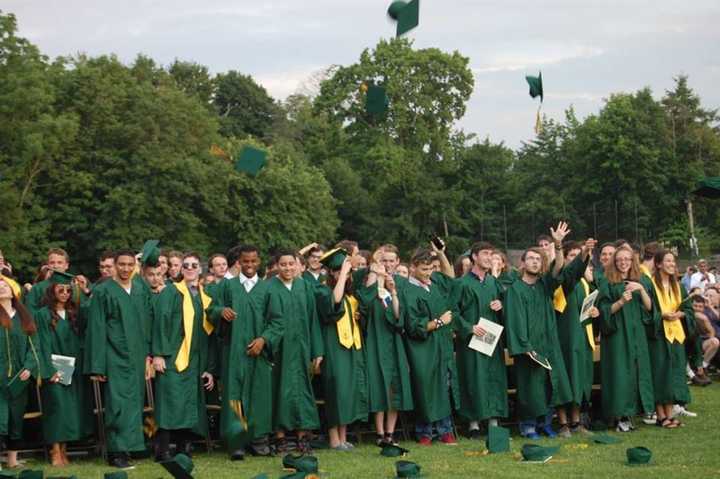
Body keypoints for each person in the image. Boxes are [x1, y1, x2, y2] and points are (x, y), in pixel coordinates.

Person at [504, 223, 584, 438]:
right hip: (528, 347)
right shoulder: (515, 290)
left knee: (549, 385)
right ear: (522, 263)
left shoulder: (545, 285)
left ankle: (545, 423)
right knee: (530, 388)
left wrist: (558, 245)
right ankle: (528, 426)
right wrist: (525, 346)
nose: (534, 262)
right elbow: (515, 320)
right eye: (530, 258)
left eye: (538, 259)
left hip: (548, 343)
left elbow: (559, 267)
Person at [208, 245, 282, 460]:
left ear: (259, 262)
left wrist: (264, 339)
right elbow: (211, 310)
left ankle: (259, 441)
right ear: (238, 262)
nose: (249, 265)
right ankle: (237, 443)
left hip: (258, 353)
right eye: (245, 261)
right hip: (233, 352)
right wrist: (221, 311)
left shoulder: (268, 288)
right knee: (234, 395)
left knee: (259, 394)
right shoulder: (227, 286)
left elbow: (277, 321)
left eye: (253, 261)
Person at [84, 249, 154, 469]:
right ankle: (116, 452)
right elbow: (96, 328)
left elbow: (148, 323)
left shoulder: (140, 289)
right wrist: (98, 365)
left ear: (135, 265)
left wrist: (149, 355)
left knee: (134, 402)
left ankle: (131, 446)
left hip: (137, 355)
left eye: (129, 265)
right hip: (113, 355)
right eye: (121, 264)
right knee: (118, 403)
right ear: (113, 265)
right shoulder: (103, 291)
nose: (125, 269)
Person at [152, 252, 215, 461]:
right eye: (185, 265)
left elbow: (208, 335)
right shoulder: (171, 292)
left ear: (200, 269)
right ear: (179, 269)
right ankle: (162, 449)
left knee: (188, 403)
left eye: (193, 265)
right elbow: (160, 323)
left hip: (194, 359)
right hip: (173, 357)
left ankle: (183, 447)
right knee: (169, 402)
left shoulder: (204, 296)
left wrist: (206, 366)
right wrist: (158, 355)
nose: (189, 268)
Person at [401, 245, 459, 446]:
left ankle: (445, 430)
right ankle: (424, 432)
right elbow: (414, 326)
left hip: (441, 345)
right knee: (425, 387)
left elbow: (450, 278)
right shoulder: (407, 291)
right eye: (424, 269)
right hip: (422, 348)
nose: (428, 273)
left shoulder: (434, 283)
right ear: (413, 267)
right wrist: (440, 322)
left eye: (430, 269)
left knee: (444, 386)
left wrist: (442, 253)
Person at [355, 245, 412, 447]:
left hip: (394, 343)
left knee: (393, 387)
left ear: (397, 262)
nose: (387, 264)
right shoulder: (369, 284)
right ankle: (379, 433)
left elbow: (399, 318)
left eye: (391, 261)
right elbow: (366, 305)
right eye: (383, 261)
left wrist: (393, 292)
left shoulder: (400, 286)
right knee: (378, 385)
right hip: (375, 341)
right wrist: (376, 277)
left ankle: (390, 433)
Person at [268, 251, 323, 453]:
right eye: (283, 264)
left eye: (292, 264)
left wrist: (317, 350)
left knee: (302, 391)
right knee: (279, 391)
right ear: (277, 266)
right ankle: (280, 437)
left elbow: (313, 319)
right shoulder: (268, 288)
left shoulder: (305, 286)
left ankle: (302, 437)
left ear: (299, 265)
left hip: (301, 348)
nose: (288, 268)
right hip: (278, 350)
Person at [314, 249, 368, 451]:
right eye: (337, 272)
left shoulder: (350, 295)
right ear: (330, 273)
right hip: (334, 349)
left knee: (348, 393)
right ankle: (334, 439)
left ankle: (344, 438)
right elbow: (333, 303)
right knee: (336, 392)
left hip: (352, 348)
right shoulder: (322, 291)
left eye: (344, 272)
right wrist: (344, 273)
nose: (342, 275)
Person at [36, 271, 92, 466]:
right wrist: (49, 370)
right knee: (57, 410)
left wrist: (83, 290)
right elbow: (42, 344)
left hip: (73, 368)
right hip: (55, 368)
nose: (65, 293)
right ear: (52, 290)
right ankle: (54, 451)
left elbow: (90, 312)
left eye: (69, 290)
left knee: (70, 411)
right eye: (61, 289)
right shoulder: (42, 315)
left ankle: (64, 451)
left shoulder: (74, 313)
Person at [453, 242, 507, 438]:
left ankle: (493, 421)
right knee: (473, 378)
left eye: (491, 254)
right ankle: (473, 424)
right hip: (471, 340)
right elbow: (453, 312)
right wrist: (468, 327)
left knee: (493, 377)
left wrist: (501, 305)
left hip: (492, 337)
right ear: (474, 257)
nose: (489, 257)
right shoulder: (461, 283)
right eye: (485, 253)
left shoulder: (494, 283)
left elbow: (506, 307)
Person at [598, 246, 654, 432]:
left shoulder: (642, 280)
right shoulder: (607, 281)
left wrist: (641, 289)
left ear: (632, 261)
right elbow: (604, 311)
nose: (623, 263)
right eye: (619, 259)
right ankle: (619, 415)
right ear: (614, 262)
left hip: (637, 335)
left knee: (637, 372)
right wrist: (621, 301)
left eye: (627, 259)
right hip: (617, 336)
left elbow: (651, 309)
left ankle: (633, 414)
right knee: (620, 373)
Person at [0, 277, 54, 468]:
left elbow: (35, 346)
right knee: (1, 419)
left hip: (19, 377)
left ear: (14, 290)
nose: (1, 288)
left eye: (4, 285)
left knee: (15, 419)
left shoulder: (24, 316)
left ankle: (12, 460)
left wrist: (29, 367)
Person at [553, 241, 598, 437]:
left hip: (581, 336)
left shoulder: (584, 283)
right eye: (572, 256)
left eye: (578, 256)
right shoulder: (561, 280)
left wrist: (594, 311)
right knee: (564, 378)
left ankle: (576, 421)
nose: (576, 260)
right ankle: (562, 423)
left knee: (579, 378)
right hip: (563, 337)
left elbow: (585, 309)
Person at [647, 250, 694, 428]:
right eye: (668, 261)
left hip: (676, 336)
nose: (672, 264)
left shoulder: (678, 286)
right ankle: (660, 416)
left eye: (673, 261)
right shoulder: (650, 285)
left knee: (672, 374)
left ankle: (669, 414)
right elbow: (648, 312)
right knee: (660, 374)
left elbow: (688, 309)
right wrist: (662, 316)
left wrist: (681, 313)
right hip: (659, 336)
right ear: (658, 264)